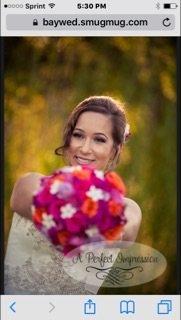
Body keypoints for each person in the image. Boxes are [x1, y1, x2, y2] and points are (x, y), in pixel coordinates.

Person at [5, 96, 142, 294]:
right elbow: (57, 216)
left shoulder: (129, 209)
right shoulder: (31, 183)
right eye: (78, 135)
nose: (84, 148)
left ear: (115, 149)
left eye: (99, 139)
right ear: (69, 138)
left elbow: (120, 232)